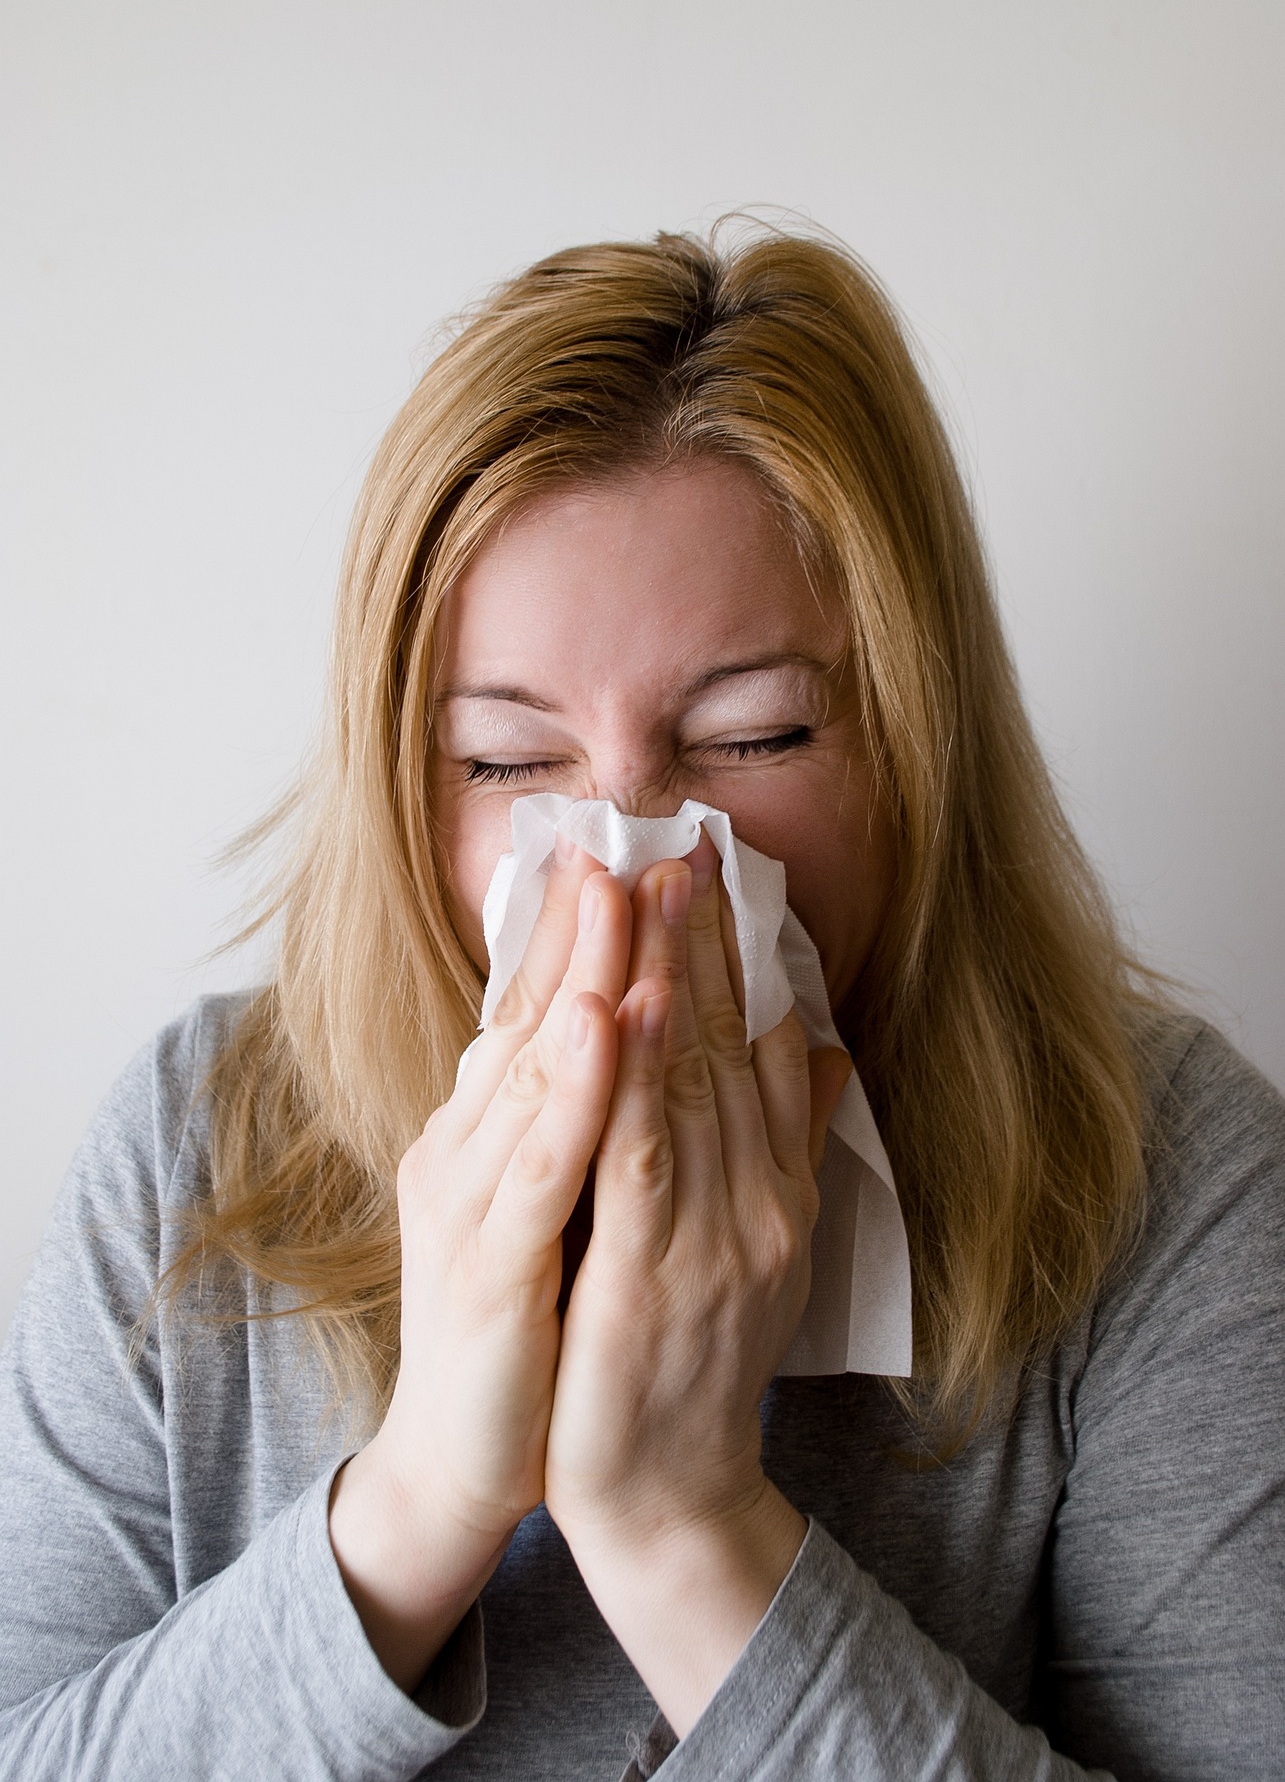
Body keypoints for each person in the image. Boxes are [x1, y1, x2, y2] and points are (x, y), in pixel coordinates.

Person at [1, 224, 1282, 1782]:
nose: (629, 856)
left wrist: (686, 1531)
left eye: (754, 737)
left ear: (914, 746)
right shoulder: (192, 1149)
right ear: (404, 784)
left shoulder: (1160, 1177)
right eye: (503, 761)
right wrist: (414, 1507)